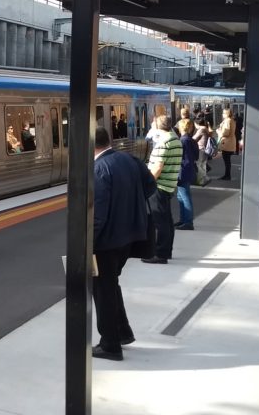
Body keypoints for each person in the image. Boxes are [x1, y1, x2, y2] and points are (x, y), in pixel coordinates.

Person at [91, 127, 157, 361]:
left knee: (102, 290)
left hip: (107, 241)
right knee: (111, 284)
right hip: (130, 235)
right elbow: (150, 186)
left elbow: (96, 216)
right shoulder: (129, 159)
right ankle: (122, 331)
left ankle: (110, 344)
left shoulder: (98, 169)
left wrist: (85, 245)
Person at [142, 115, 182, 264]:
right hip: (168, 185)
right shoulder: (175, 139)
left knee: (160, 222)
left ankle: (160, 254)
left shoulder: (164, 142)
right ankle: (166, 251)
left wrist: (148, 183)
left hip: (159, 186)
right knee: (167, 221)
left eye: (153, 124)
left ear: (158, 127)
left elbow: (157, 167)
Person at [174, 119, 200, 230]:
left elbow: (185, 158)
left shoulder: (183, 141)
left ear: (182, 127)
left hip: (183, 171)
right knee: (181, 196)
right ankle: (183, 220)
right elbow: (196, 156)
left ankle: (188, 222)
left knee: (184, 196)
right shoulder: (191, 140)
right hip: (188, 171)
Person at [217, 108, 237, 180]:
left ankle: (227, 175)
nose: (222, 114)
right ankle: (227, 175)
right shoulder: (230, 120)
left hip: (227, 143)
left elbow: (226, 132)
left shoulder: (228, 121)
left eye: (224, 113)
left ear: (227, 114)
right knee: (227, 160)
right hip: (229, 142)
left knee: (227, 160)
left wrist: (219, 132)